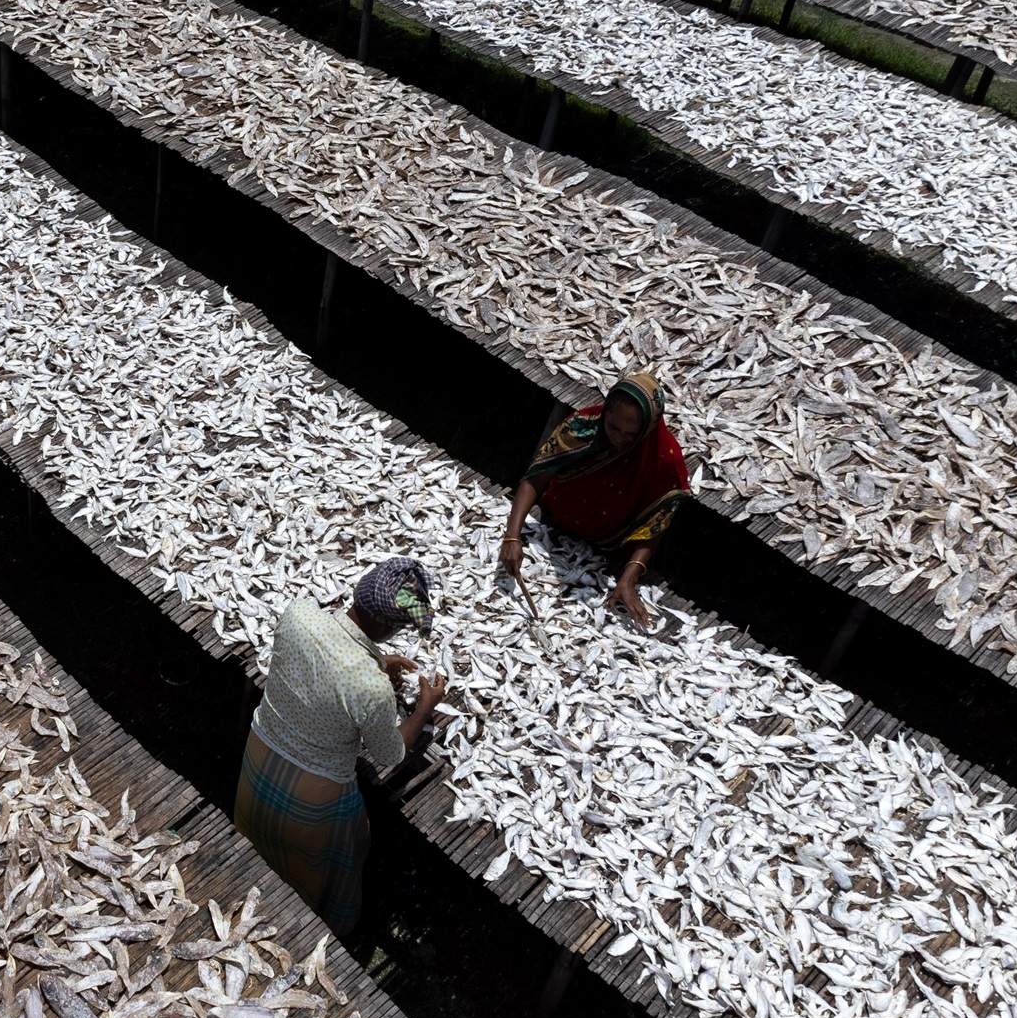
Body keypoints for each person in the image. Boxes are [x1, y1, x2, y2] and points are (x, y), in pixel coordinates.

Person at [234, 557, 447, 936]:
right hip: (314, 796)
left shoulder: (299, 614)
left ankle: (244, 887)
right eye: (398, 626)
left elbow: (324, 665)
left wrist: (377, 660)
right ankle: (311, 931)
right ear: (385, 625)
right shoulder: (370, 687)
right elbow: (390, 754)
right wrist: (425, 708)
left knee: (258, 840)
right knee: (320, 869)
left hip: (259, 755)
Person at [499, 372, 691, 631]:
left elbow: (655, 527)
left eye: (631, 434)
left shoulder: (664, 460)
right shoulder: (582, 427)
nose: (619, 438)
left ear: (648, 427)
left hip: (608, 548)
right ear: (606, 413)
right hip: (553, 522)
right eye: (613, 427)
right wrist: (512, 535)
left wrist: (629, 577)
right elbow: (536, 477)